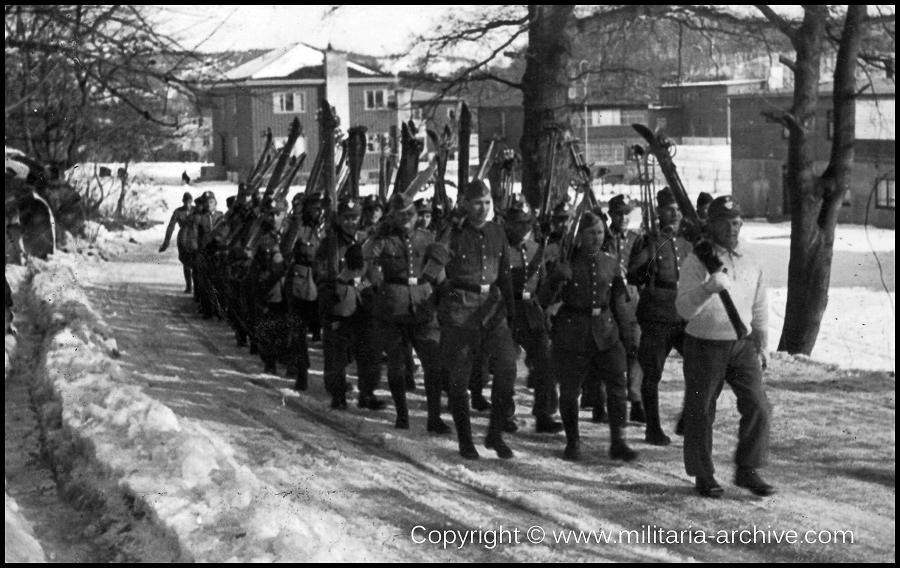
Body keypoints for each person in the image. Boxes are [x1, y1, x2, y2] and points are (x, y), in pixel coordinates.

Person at [676, 195, 773, 498]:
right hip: (704, 344)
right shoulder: (696, 261)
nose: (733, 229)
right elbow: (683, 309)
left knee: (759, 405)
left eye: (737, 222)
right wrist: (708, 288)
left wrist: (762, 339)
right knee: (701, 411)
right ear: (712, 225)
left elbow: (759, 303)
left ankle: (747, 469)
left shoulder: (751, 259)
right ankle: (703, 473)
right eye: (725, 223)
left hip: (741, 344)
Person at [426, 179, 518, 460]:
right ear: (465, 204)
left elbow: (504, 275)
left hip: (492, 310)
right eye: (477, 202)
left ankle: (494, 434)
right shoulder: (452, 232)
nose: (483, 208)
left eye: (487, 202)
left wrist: (512, 313)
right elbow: (431, 270)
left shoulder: (496, 232)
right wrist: (446, 297)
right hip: (460, 312)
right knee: (459, 379)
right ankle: (466, 441)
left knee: (508, 369)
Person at [539, 211, 637, 462]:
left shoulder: (611, 263)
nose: (597, 237)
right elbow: (543, 299)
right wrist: (555, 279)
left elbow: (618, 303)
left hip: (606, 333)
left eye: (601, 232)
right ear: (580, 235)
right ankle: (573, 442)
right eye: (591, 232)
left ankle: (618, 442)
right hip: (573, 334)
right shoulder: (565, 263)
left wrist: (626, 337)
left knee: (617, 388)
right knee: (570, 392)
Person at [367, 192, 448, 433]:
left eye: (410, 214)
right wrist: (377, 233)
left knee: (432, 365)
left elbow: (440, 274)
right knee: (396, 366)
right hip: (393, 308)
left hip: (423, 306)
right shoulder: (383, 239)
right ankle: (402, 416)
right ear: (393, 217)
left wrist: (449, 298)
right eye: (400, 215)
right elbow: (366, 258)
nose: (406, 219)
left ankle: (434, 419)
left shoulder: (427, 238)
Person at [627, 188, 692, 446]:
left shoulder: (687, 244)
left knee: (699, 367)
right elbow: (634, 275)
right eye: (669, 209)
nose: (674, 214)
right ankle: (652, 428)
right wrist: (647, 264)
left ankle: (688, 418)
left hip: (685, 314)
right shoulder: (649, 241)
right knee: (652, 373)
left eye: (678, 210)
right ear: (659, 212)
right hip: (657, 315)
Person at [315, 198, 382, 410]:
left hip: (363, 301)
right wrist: (332, 291)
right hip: (339, 302)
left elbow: (371, 270)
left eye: (354, 218)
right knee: (336, 355)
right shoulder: (330, 244)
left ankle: (367, 394)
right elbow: (322, 273)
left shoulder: (365, 241)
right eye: (346, 218)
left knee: (369, 352)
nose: (350, 222)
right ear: (339, 219)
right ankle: (338, 395)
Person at [504, 196, 563, 434]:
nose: (523, 228)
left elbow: (544, 291)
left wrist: (557, 279)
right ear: (509, 223)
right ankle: (504, 413)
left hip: (531, 310)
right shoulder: (500, 250)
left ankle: (544, 414)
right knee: (506, 365)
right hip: (506, 309)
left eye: (527, 223)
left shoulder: (537, 249)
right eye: (518, 223)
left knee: (545, 361)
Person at [249, 199, 289, 374]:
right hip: (270, 288)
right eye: (271, 214)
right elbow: (254, 263)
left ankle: (288, 359)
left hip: (290, 287)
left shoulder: (291, 235)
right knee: (268, 326)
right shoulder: (260, 237)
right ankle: (270, 361)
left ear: (284, 214)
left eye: (277, 214)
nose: (274, 218)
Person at [159, 192, 195, 293]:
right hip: (183, 238)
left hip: (194, 237)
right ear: (183, 201)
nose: (188, 205)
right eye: (186, 202)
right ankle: (189, 286)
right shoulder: (178, 212)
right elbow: (171, 226)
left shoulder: (195, 210)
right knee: (186, 262)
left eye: (190, 202)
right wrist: (166, 242)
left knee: (196, 263)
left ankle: (197, 286)